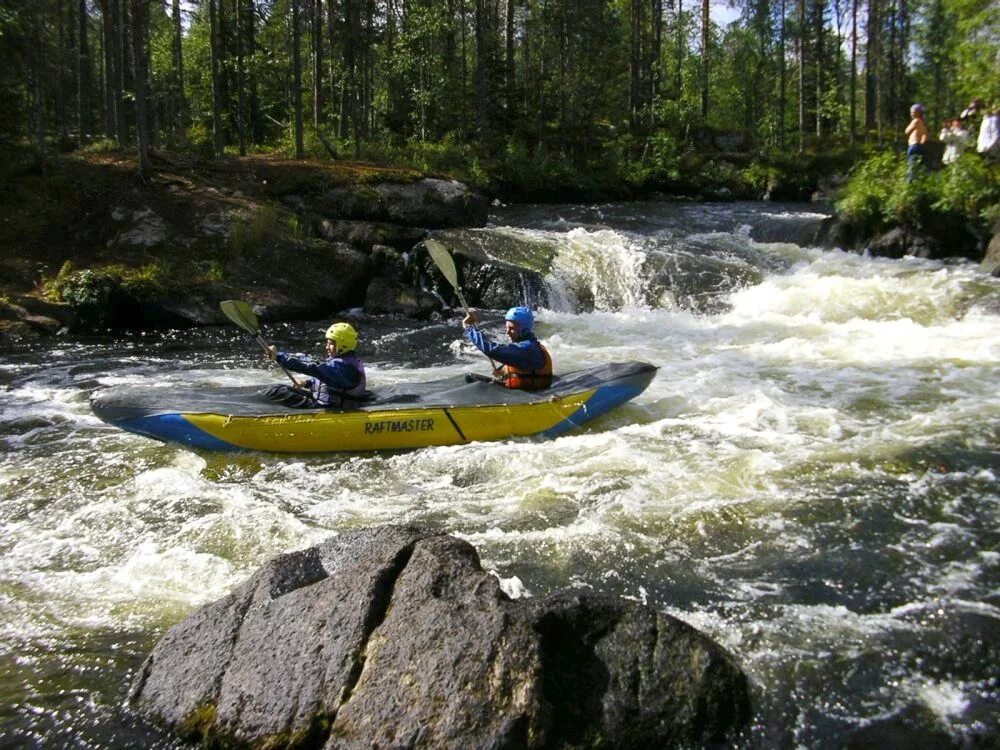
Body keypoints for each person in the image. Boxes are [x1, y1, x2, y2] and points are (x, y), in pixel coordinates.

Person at [265, 322, 367, 407]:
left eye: (331, 343)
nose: (327, 347)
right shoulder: (342, 362)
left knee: (275, 391)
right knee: (280, 388)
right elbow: (328, 379)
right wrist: (308, 383)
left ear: (342, 345)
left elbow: (312, 366)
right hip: (322, 402)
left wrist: (280, 357)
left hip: (328, 407)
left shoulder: (344, 367)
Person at [462, 306, 553, 390]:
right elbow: (520, 364)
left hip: (530, 395)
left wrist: (469, 328)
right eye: (507, 328)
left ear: (524, 330)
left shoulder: (526, 348)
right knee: (472, 378)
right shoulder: (529, 345)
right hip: (523, 389)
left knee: (470, 379)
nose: (507, 332)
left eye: (512, 328)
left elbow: (491, 349)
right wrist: (503, 371)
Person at [905, 103, 930, 179]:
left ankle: (910, 184)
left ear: (918, 112)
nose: (911, 113)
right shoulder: (923, 123)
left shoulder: (916, 121)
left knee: (912, 166)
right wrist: (922, 143)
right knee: (917, 167)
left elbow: (906, 131)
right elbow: (926, 135)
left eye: (913, 111)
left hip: (913, 146)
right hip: (919, 146)